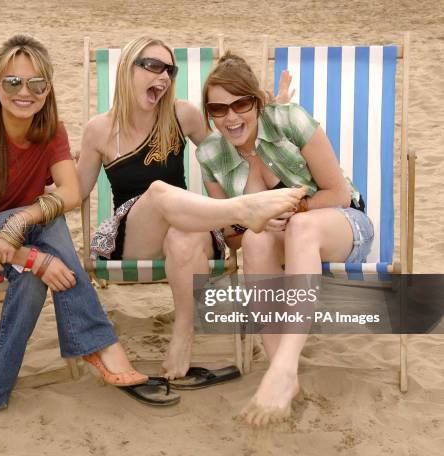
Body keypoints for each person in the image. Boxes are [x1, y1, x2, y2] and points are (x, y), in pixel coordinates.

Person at [0, 35, 150, 431]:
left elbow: (70, 191)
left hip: (14, 244)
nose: (24, 93)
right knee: (50, 226)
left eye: (36, 84)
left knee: (33, 280)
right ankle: (100, 344)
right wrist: (34, 255)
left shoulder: (51, 133)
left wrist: (22, 225)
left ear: (48, 89)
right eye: (13, 82)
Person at [77, 37, 306, 381]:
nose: (164, 76)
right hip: (134, 236)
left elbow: (232, 149)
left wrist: (270, 117)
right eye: (153, 66)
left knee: (185, 233)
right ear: (127, 68)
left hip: (189, 229)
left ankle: (183, 333)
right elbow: (75, 191)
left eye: (169, 69)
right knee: (158, 192)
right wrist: (47, 178)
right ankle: (241, 211)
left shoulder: (182, 115)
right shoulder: (99, 130)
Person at [197, 52, 374, 426]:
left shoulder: (290, 121)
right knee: (256, 242)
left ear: (256, 101)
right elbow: (229, 233)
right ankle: (284, 378)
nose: (230, 117)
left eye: (240, 104)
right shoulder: (210, 153)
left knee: (300, 227)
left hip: (342, 225)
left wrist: (293, 212)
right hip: (275, 239)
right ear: (209, 113)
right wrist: (255, 220)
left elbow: (339, 194)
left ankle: (283, 365)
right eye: (218, 108)